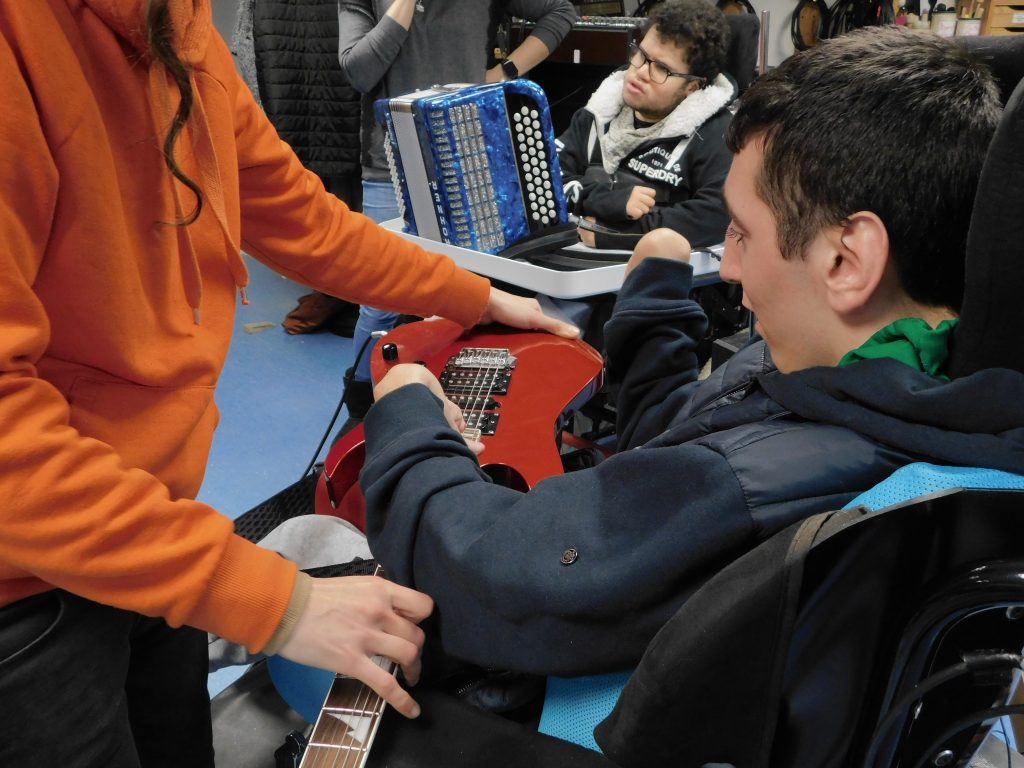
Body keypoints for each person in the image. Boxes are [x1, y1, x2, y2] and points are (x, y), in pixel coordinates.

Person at [0, 2, 578, 766]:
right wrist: (279, 602)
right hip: (25, 586)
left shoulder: (177, 25)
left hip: (151, 526)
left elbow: (300, 214)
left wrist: (472, 292)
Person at [354, 26, 1024, 680]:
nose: (727, 266)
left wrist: (409, 417)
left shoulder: (748, 482)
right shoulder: (870, 374)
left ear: (846, 260)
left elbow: (486, 572)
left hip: (530, 705)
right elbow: (674, 437)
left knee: (312, 549)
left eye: (742, 231)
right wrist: (655, 302)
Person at [333, 0, 576, 433]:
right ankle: (359, 423)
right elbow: (359, 70)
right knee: (377, 304)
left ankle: (454, 421)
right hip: (388, 166)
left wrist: (506, 74)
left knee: (465, 298)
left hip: (469, 167)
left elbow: (560, 10)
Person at [557, 0, 734, 251]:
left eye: (661, 68)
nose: (640, 72)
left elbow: (713, 217)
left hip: (654, 276)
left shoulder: (717, 134)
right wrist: (606, 199)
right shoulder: (599, 111)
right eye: (641, 54)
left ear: (692, 87)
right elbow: (547, 179)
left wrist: (615, 234)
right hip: (567, 261)